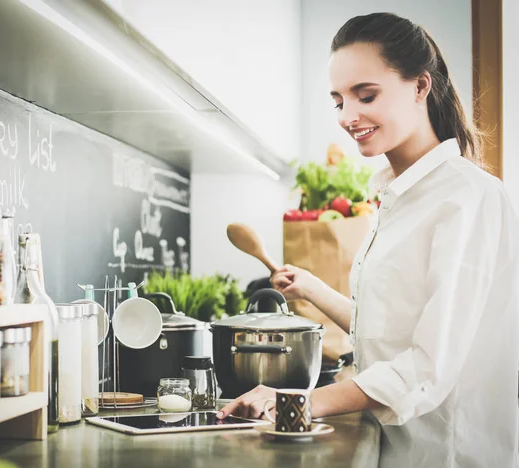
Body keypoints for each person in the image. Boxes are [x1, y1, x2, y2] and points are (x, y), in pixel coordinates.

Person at [217, 12, 519, 468]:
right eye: (338, 100)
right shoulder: (394, 197)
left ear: (420, 87)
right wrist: (311, 288)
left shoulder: (467, 197)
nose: (347, 116)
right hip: (398, 448)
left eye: (366, 95)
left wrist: (298, 399)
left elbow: (428, 366)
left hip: (446, 456)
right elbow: (387, 329)